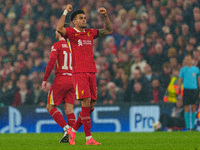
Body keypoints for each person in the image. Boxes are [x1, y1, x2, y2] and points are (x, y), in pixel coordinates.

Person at [56, 4, 113, 145]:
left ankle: (73, 131)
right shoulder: (70, 32)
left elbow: (109, 30)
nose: (84, 20)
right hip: (79, 72)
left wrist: (105, 15)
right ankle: (89, 138)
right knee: (85, 104)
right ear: (74, 21)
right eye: (81, 18)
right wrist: (65, 12)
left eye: (85, 18)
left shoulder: (90, 32)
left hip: (91, 72)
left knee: (90, 107)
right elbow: (59, 28)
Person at [41, 24, 76, 143]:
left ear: (60, 32)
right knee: (69, 109)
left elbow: (51, 62)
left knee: (50, 106)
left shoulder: (56, 46)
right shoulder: (73, 47)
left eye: (57, 30)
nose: (55, 32)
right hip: (72, 80)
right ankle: (71, 136)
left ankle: (67, 129)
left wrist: (45, 79)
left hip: (61, 79)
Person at [178, 54, 200, 130]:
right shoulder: (183, 70)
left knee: (194, 108)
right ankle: (188, 127)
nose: (187, 60)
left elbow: (198, 81)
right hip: (186, 90)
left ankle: (193, 127)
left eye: (189, 59)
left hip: (194, 90)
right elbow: (180, 81)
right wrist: (179, 92)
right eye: (186, 59)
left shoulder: (196, 69)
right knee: (187, 108)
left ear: (191, 60)